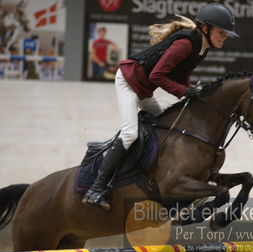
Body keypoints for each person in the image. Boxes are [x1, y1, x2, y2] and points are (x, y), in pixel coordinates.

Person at [82, 3, 239, 212]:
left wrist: (190, 89)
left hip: (145, 87)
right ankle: (96, 188)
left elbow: (180, 75)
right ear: (204, 28)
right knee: (130, 133)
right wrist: (184, 92)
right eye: (221, 32)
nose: (224, 37)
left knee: (167, 124)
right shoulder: (186, 44)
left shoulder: (202, 49)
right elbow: (157, 75)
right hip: (129, 81)